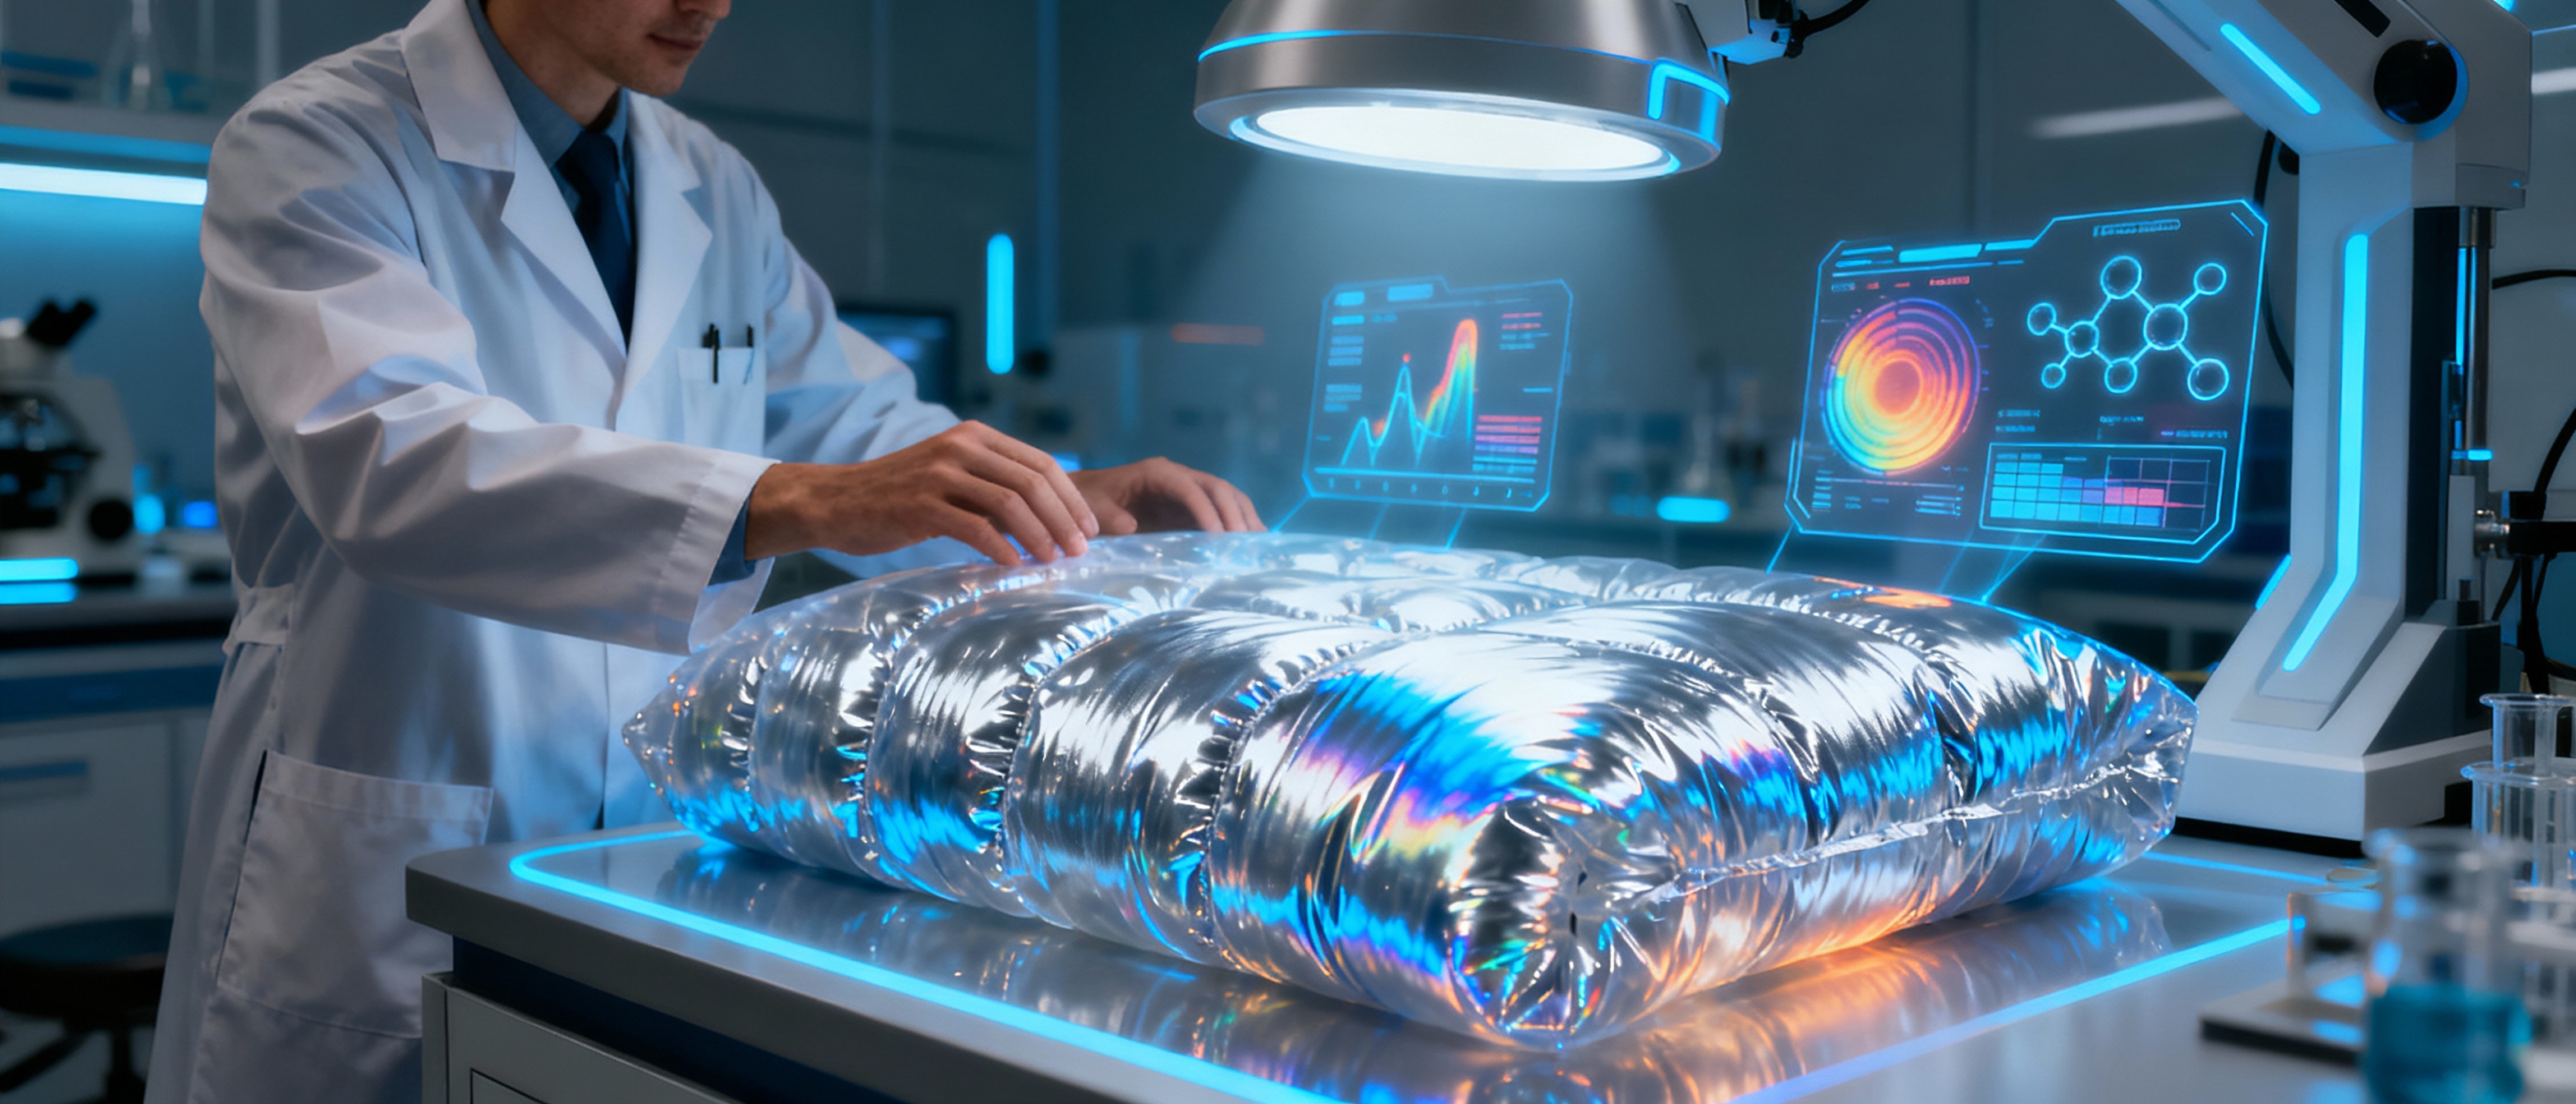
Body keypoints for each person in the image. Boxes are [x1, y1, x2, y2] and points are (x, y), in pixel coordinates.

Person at [145, 0, 1262, 1099]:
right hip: (395, 822)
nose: (711, 4)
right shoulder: (317, 142)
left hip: (633, 848)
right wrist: (792, 500)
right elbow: (392, 460)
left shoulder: (709, 184)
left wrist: (1055, 498)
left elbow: (854, 428)